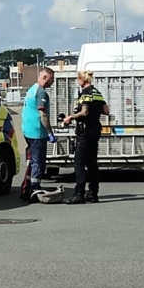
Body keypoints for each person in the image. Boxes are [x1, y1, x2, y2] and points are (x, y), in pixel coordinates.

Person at [62, 70, 109, 204]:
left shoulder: (85, 94)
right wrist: (96, 112)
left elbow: (84, 111)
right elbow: (106, 111)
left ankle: (79, 194)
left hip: (84, 132)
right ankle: (93, 193)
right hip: (95, 131)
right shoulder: (97, 93)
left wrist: (71, 117)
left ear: (82, 80)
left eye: (78, 79)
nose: (78, 82)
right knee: (92, 163)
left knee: (79, 163)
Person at [19, 67, 56, 201]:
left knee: (32, 161)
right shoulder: (41, 93)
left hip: (27, 130)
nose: (53, 82)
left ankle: (27, 187)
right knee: (38, 162)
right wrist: (50, 133)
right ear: (45, 77)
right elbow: (43, 114)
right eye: (52, 79)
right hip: (37, 133)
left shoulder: (32, 89)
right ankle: (34, 189)